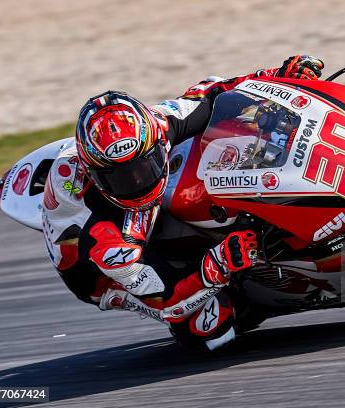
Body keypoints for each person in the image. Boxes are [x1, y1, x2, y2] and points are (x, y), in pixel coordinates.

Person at [41, 56, 324, 351]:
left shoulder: (157, 125)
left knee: (229, 131)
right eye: (122, 178)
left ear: (155, 140)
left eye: (145, 166)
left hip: (131, 212)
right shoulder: (106, 241)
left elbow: (213, 93)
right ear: (97, 177)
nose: (139, 182)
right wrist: (217, 265)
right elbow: (165, 299)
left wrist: (277, 75)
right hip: (101, 271)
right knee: (210, 328)